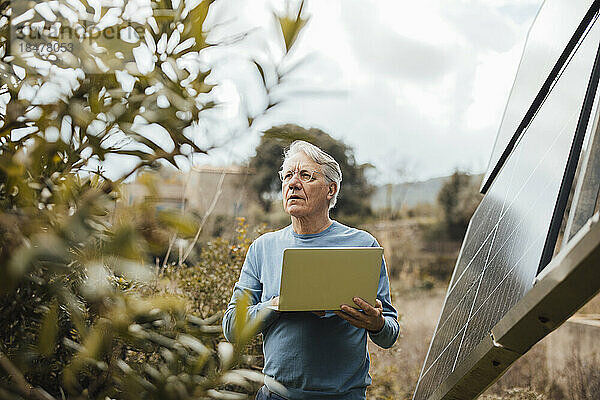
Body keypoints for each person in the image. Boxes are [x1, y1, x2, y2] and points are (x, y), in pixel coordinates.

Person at [223, 140, 399, 399]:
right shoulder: (263, 248)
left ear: (331, 189)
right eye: (288, 176)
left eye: (305, 175)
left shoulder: (362, 245)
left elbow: (389, 335)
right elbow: (231, 327)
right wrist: (279, 303)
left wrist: (376, 323)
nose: (293, 183)